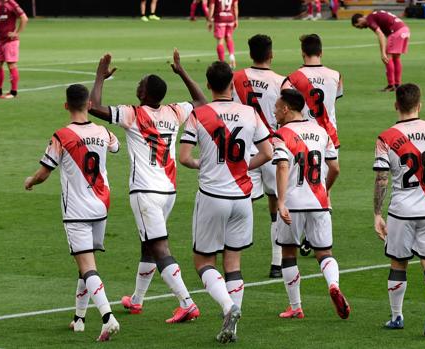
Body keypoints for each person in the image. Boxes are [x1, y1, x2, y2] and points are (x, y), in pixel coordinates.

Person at [89, 50, 207, 323]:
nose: (136, 85)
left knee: (159, 247)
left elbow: (93, 106)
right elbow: (201, 100)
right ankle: (138, 300)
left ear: (144, 93)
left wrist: (100, 76)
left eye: (140, 83)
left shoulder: (133, 115)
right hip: (168, 191)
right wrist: (181, 71)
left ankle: (186, 302)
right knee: (148, 244)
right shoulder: (173, 112)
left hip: (145, 192)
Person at [179, 61, 273, 343]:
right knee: (233, 263)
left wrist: (201, 164)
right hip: (242, 197)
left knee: (203, 260)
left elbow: (184, 157)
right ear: (232, 83)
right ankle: (233, 325)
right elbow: (268, 153)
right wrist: (245, 166)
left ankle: (228, 307)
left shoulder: (199, 114)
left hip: (212, 196)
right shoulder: (250, 113)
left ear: (208, 85)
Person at [24, 84, 121, 341]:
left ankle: (108, 316)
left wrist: (30, 181)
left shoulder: (61, 136)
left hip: (77, 210)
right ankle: (79, 319)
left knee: (88, 267)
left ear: (66, 105)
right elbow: (116, 147)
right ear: (89, 104)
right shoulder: (103, 131)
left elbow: (44, 173)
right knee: (85, 266)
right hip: (101, 207)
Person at [372, 83, 425, 337]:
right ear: (419, 105)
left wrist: (377, 213)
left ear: (396, 105)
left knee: (398, 262)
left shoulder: (385, 138)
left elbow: (381, 179)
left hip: (401, 212)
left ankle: (397, 317)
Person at [272, 89, 350, 320]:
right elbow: (335, 168)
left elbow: (283, 166)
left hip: (293, 203)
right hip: (319, 200)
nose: (275, 111)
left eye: (277, 107)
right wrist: (324, 188)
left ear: (286, 109)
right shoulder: (321, 131)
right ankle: (333, 284)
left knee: (288, 253)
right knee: (324, 252)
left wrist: (281, 201)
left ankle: (295, 306)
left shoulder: (281, 134)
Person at [282, 34, 343, 257]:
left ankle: (300, 235)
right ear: (321, 51)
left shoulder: (292, 79)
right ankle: (316, 235)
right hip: (328, 138)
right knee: (322, 187)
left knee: (297, 186)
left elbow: (288, 104)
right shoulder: (336, 76)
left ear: (302, 52)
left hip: (301, 138)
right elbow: (334, 101)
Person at [231, 34, 284, 278]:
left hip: (245, 149)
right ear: (271, 54)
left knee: (243, 202)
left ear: (250, 53)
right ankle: (276, 262)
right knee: (276, 203)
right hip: (273, 147)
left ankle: (232, 262)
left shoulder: (236, 78)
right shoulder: (282, 82)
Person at [352, 11, 411, 92]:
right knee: (396, 58)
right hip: (404, 29)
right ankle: (397, 84)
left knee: (387, 58)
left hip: (396, 31)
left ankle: (391, 85)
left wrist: (383, 53)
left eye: (359, 26)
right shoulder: (374, 15)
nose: (361, 28)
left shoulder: (369, 19)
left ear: (360, 19)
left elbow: (380, 35)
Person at [0, 0, 28, 99]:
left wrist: (16, 33)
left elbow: (24, 18)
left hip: (10, 41)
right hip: (1, 40)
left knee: (11, 64)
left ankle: (13, 92)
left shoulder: (12, 3)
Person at [207, 0, 239, 68]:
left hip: (220, 19)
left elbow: (211, 7)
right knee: (229, 38)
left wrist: (209, 20)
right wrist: (236, 19)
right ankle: (232, 57)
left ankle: (222, 63)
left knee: (220, 41)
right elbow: (235, 6)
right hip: (230, 18)